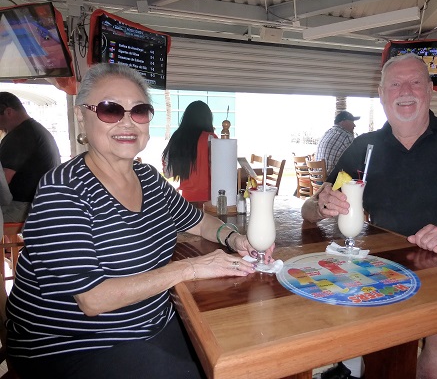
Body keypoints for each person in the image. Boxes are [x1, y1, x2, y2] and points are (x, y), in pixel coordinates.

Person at [6, 63, 274, 379]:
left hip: (148, 323)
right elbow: (93, 299)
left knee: (240, 348)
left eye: (139, 111)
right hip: (71, 345)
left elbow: (198, 222)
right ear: (82, 115)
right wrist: (190, 268)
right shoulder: (62, 190)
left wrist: (234, 238)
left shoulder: (148, 179)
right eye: (110, 110)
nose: (127, 122)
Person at [302, 54, 437, 379]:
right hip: (387, 273)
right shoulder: (365, 148)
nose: (406, 91)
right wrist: (322, 204)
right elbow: (310, 212)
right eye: (396, 83)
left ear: (429, 89)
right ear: (382, 92)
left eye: (416, 82)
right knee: (323, 315)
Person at [0, 92, 61, 222]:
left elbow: (3, 180)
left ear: (8, 112)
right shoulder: (35, 130)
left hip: (24, 207)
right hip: (43, 203)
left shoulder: (20, 135)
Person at [162, 100, 217, 202]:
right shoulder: (211, 138)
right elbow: (219, 171)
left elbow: (167, 173)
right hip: (210, 200)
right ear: (208, 118)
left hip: (186, 201)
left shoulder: (177, 137)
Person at [316, 110, 359, 175]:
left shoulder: (327, 133)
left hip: (318, 179)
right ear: (343, 122)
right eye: (352, 121)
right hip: (331, 181)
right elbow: (357, 159)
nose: (354, 125)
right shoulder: (347, 136)